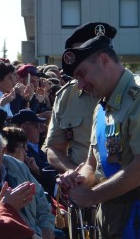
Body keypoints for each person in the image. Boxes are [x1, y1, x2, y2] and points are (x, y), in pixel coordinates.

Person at [59, 34, 140, 239]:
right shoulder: (101, 107)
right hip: (109, 211)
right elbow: (92, 162)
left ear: (104, 60)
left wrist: (92, 197)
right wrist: (80, 178)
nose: (80, 85)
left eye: (83, 74)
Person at [46, 22, 117, 174]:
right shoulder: (66, 96)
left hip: (123, 188)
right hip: (82, 188)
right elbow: (54, 148)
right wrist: (75, 174)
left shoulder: (135, 94)